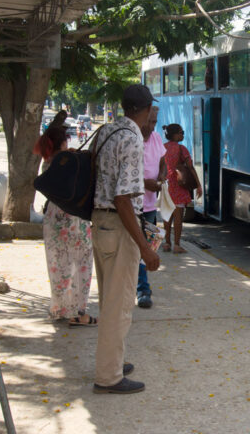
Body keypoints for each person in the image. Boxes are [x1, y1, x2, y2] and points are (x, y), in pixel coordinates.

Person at [91, 84, 160, 395]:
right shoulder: (132, 138)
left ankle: (112, 361)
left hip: (100, 222)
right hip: (118, 225)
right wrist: (145, 249)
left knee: (110, 300)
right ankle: (109, 376)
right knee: (118, 306)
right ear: (144, 109)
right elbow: (123, 198)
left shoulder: (107, 130)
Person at [34, 124, 97, 327]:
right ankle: (78, 313)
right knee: (81, 264)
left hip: (54, 219)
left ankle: (60, 307)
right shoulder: (67, 161)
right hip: (73, 219)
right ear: (63, 141)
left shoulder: (47, 163)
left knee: (59, 265)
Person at [139, 105, 167, 309]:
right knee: (133, 247)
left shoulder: (156, 138)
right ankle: (142, 288)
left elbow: (163, 161)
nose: (150, 126)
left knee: (147, 247)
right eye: (148, 121)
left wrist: (162, 175)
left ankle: (143, 288)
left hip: (149, 205)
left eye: (154, 122)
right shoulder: (130, 139)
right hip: (129, 206)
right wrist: (143, 184)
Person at [162, 123, 201, 254]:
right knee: (178, 216)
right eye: (181, 132)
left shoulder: (162, 148)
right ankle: (177, 245)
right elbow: (190, 167)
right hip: (178, 186)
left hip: (165, 185)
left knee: (167, 215)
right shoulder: (181, 148)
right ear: (174, 134)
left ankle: (167, 243)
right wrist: (198, 184)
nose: (182, 134)